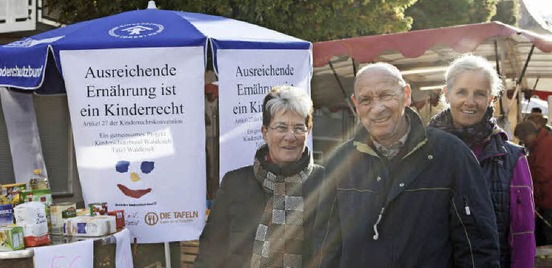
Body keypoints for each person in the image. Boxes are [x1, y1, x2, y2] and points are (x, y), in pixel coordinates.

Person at [314, 62, 500, 267]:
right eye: (366, 100)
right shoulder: (340, 162)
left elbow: (477, 248)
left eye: (386, 95)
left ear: (406, 94)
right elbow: (325, 248)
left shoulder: (452, 155)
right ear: (355, 104)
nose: (377, 108)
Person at [194, 85, 324, 268]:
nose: (290, 136)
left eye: (298, 128)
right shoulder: (235, 183)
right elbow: (210, 254)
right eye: (281, 127)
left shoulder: (326, 182)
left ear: (308, 132)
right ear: (265, 132)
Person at [428, 54, 535, 267]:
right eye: (461, 92)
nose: (470, 101)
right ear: (446, 94)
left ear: (491, 100)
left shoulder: (512, 158)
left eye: (479, 94)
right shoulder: (422, 151)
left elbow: (522, 236)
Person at [515, 120, 552, 246]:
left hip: (548, 198)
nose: (523, 142)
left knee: (547, 235)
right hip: (544, 198)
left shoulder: (545, 145)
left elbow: (544, 173)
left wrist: (525, 173)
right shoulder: (538, 145)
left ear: (529, 135)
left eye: (523, 139)